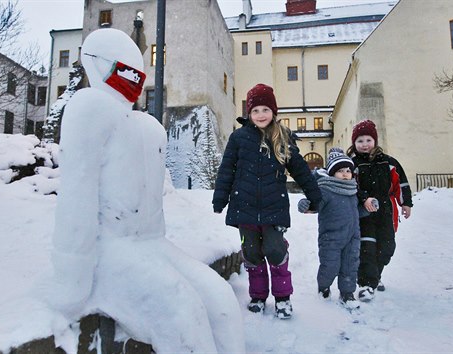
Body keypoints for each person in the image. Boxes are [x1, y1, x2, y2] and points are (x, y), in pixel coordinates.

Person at [51, 28, 244, 352]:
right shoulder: (89, 108)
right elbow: (77, 196)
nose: (134, 80)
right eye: (124, 70)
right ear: (96, 65)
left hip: (149, 244)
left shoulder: (149, 128)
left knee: (219, 300)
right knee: (182, 312)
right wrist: (73, 277)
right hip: (110, 250)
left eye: (136, 72)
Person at [212, 83, 322, 319]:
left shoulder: (282, 138)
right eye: (255, 110)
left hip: (274, 208)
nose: (261, 115)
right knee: (251, 253)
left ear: (273, 112)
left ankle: (282, 298)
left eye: (265, 109)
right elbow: (227, 170)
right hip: (245, 207)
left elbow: (301, 170)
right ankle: (258, 296)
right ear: (248, 113)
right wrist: (219, 198)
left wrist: (315, 196)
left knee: (274, 250)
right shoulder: (239, 138)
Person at [346, 119, 413, 301]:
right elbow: (349, 185)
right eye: (360, 141)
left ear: (375, 141)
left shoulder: (389, 162)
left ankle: (376, 274)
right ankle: (366, 284)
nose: (364, 144)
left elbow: (401, 183)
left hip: (386, 211)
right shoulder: (352, 165)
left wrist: (405, 203)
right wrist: (364, 198)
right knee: (367, 247)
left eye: (368, 140)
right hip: (363, 213)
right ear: (354, 144)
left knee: (387, 247)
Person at [297, 147, 365, 310]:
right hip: (331, 238)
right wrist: (305, 205)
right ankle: (324, 287)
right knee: (330, 266)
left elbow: (358, 210)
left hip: (352, 237)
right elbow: (315, 205)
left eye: (348, 170)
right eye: (340, 170)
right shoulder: (325, 190)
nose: (345, 174)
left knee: (350, 266)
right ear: (332, 173)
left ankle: (347, 293)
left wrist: (369, 208)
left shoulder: (353, 191)